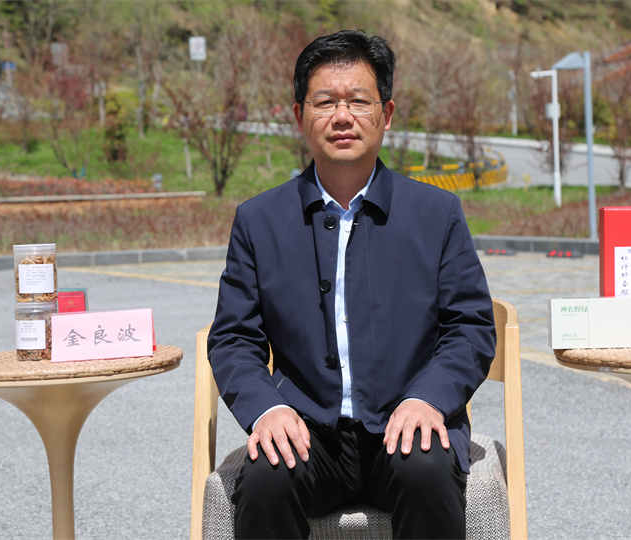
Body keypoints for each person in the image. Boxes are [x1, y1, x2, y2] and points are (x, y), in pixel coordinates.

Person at [207, 29, 496, 539]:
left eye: (359, 101)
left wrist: (428, 399)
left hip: (407, 422)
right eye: (325, 102)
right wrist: (267, 409)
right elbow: (233, 338)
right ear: (299, 116)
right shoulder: (259, 220)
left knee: (427, 471)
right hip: (306, 431)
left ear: (386, 113)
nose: (342, 116)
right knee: (267, 478)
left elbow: (470, 327)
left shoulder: (436, 213)